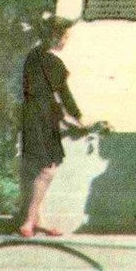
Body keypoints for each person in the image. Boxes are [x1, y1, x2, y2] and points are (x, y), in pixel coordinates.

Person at [18, 15, 84, 238]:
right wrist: (78, 118)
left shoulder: (32, 56)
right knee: (48, 169)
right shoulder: (53, 63)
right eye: (65, 36)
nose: (66, 40)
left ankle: (38, 220)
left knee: (36, 168)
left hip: (30, 117)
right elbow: (65, 95)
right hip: (43, 119)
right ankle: (29, 220)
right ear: (56, 36)